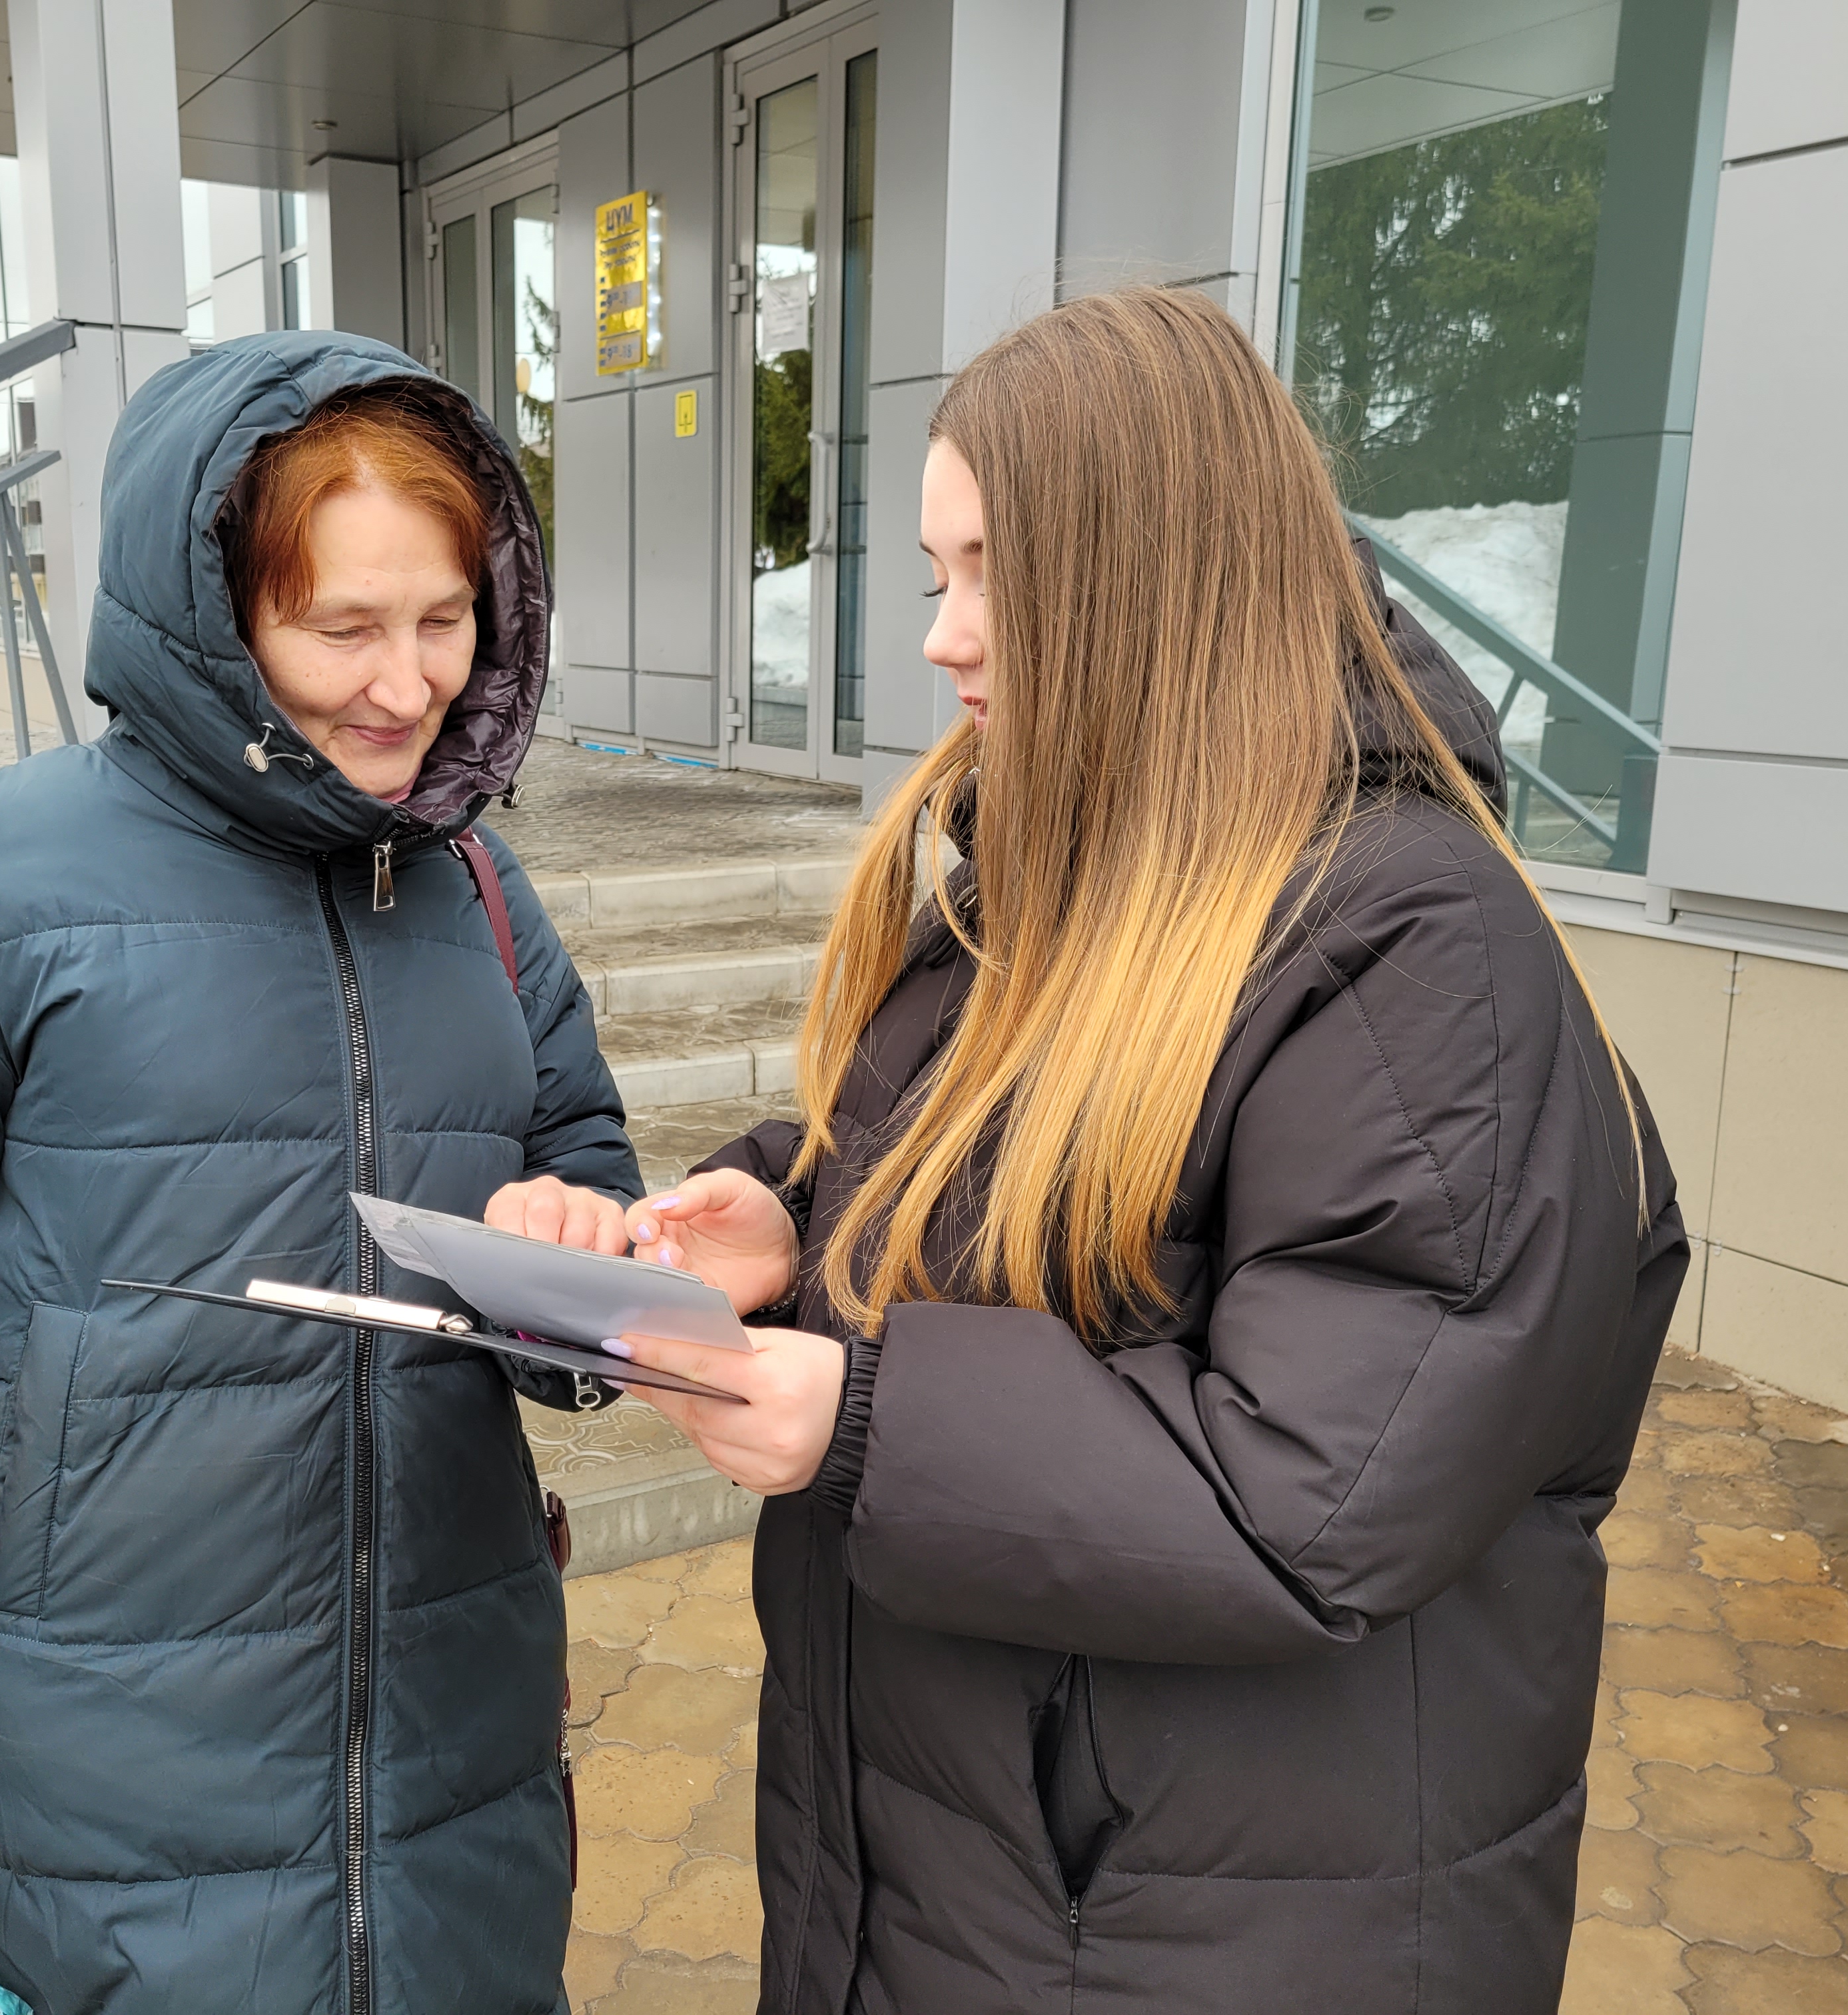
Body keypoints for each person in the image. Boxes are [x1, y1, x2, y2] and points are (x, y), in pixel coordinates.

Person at [596, 288, 1687, 2013]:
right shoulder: (1065, 876)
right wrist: (797, 1224)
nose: (944, 638)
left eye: (984, 574)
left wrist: (861, 1409)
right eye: (935, 576)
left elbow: (1318, 1490)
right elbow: (1042, 1191)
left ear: (1143, 572)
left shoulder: (1418, 956)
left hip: (1211, 1921)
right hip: (986, 1877)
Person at [0, 331, 636, 2015]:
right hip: (83, 1814)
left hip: (453, 1787)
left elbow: (585, 1172)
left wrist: (586, 1254)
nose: (406, 687)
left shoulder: (482, 894)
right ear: (212, 613)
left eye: (443, 621)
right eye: (341, 627)